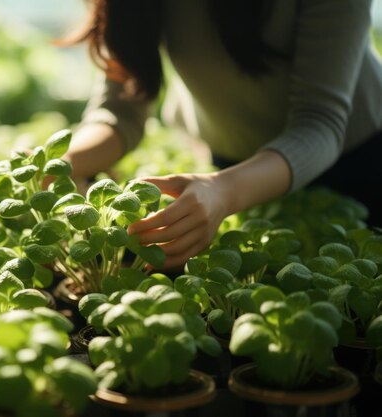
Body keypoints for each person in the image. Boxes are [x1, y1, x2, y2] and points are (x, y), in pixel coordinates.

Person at [62, 0, 382, 270]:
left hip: (359, 161)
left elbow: (320, 123)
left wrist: (223, 191)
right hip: (236, 168)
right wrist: (63, 163)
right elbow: (121, 110)